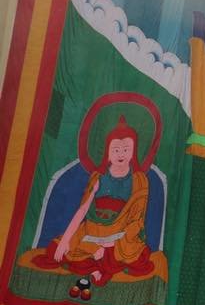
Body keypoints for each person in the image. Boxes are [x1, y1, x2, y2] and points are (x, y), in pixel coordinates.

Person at [33, 117, 153, 284]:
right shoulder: (98, 177)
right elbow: (82, 210)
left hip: (120, 231)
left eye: (126, 149)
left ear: (133, 152)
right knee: (56, 249)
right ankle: (95, 265)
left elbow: (137, 220)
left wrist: (113, 242)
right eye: (116, 149)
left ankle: (100, 257)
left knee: (137, 256)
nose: (121, 154)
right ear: (107, 153)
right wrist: (66, 239)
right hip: (93, 228)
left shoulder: (139, 180)